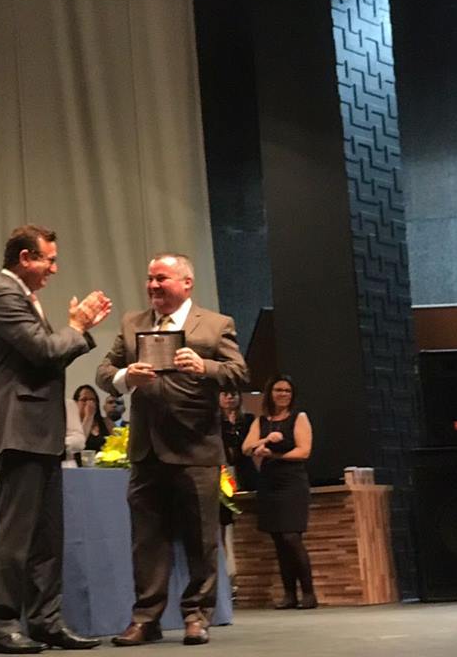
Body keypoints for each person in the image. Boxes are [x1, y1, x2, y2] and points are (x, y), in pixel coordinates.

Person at [96, 252, 248, 647]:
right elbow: (104, 373)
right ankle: (146, 619)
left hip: (196, 449)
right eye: (150, 278)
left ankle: (197, 615)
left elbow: (239, 372)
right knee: (146, 540)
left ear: (186, 283)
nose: (153, 286)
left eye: (161, 278)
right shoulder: (132, 323)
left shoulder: (216, 325)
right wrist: (126, 376)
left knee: (201, 538)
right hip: (146, 450)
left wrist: (204, 366)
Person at [0, 224, 111, 654]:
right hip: (19, 431)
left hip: (41, 432)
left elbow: (48, 355)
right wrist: (77, 326)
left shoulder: (24, 299)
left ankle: (46, 620)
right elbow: (44, 351)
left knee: (47, 536)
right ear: (25, 258)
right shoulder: (3, 296)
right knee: (15, 536)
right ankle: (2, 623)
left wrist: (77, 331)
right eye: (48, 260)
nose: (54, 269)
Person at [241, 375, 316, 610]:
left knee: (291, 537)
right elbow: (246, 448)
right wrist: (265, 440)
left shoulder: (299, 418)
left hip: (292, 482)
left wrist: (273, 455)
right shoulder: (261, 421)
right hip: (269, 482)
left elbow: (304, 451)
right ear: (270, 393)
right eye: (278, 390)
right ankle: (289, 594)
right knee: (278, 541)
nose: (283, 394)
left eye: (287, 391)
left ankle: (309, 593)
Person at [217, 385, 253, 597]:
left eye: (234, 394)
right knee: (222, 527)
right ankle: (226, 578)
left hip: (244, 474)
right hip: (221, 475)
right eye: (225, 394)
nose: (230, 398)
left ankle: (241, 575)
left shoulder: (247, 420)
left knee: (244, 525)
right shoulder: (214, 421)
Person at [72, 385, 114, 452]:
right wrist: (89, 416)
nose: (89, 403)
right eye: (84, 400)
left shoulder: (106, 422)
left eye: (92, 400)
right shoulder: (72, 424)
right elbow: (77, 445)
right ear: (76, 403)